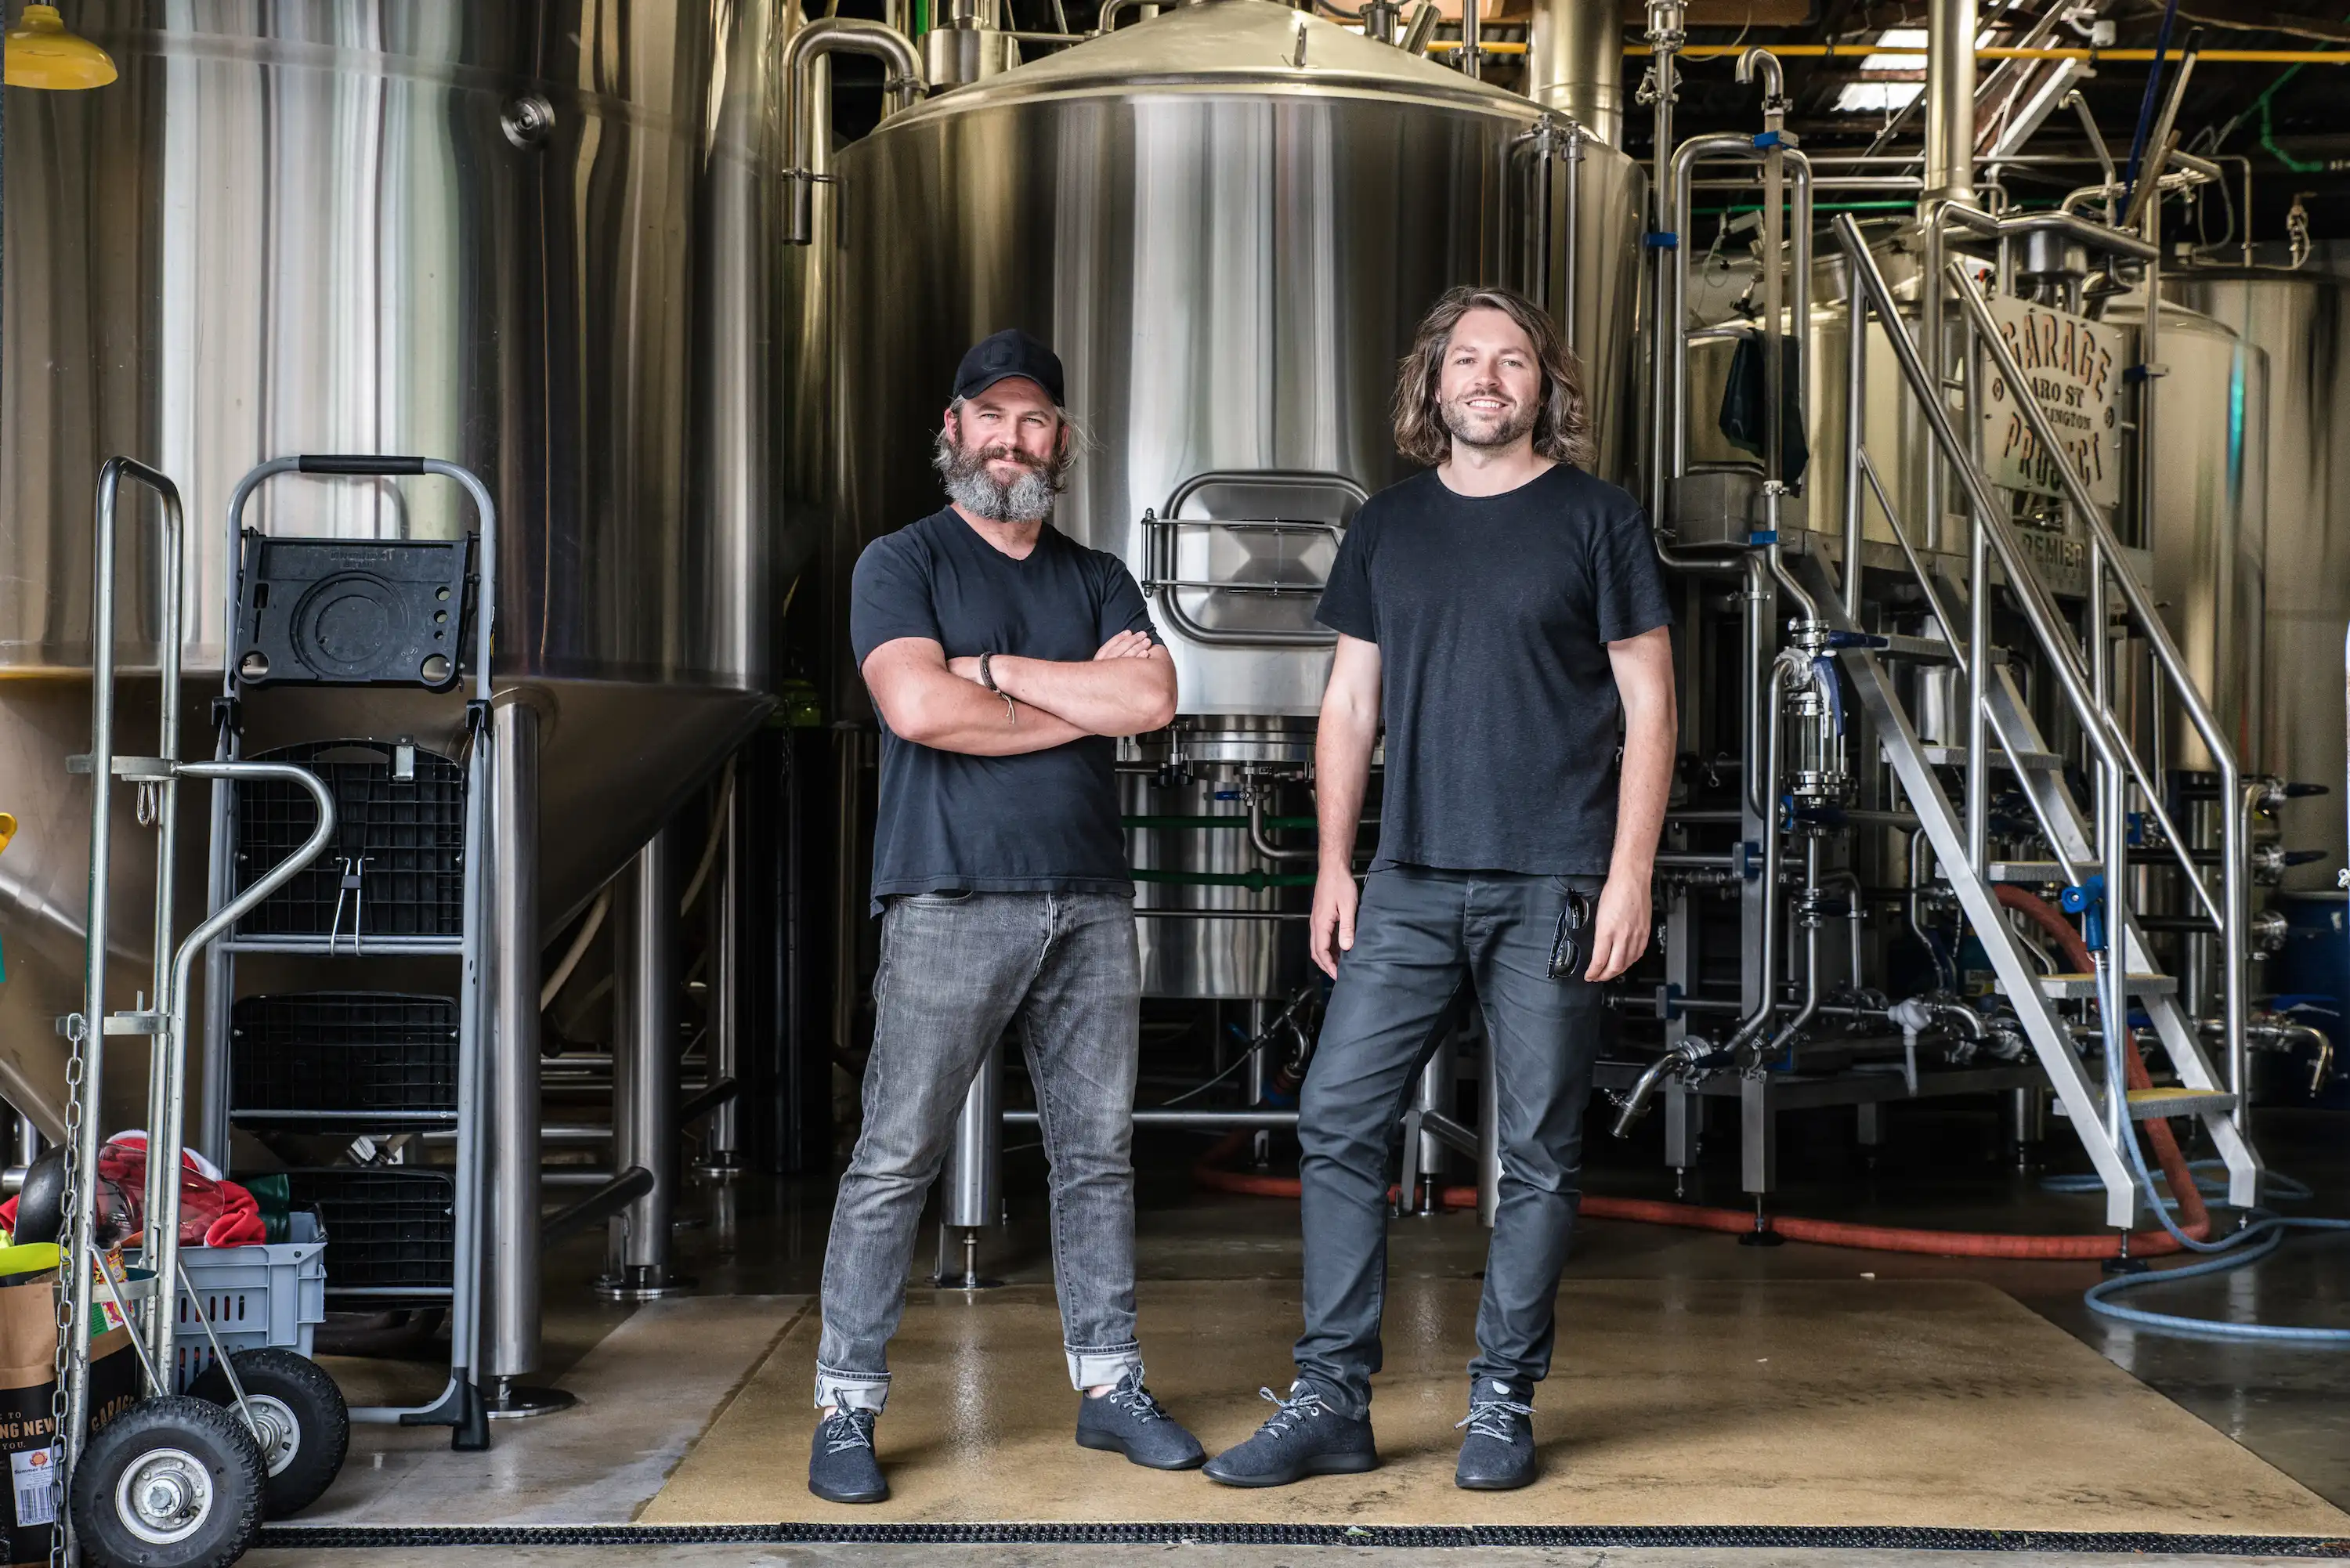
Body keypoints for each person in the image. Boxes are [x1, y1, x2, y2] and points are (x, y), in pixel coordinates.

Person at [1203, 286, 1677, 1492]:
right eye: (1466, 359)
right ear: (1434, 385)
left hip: (1554, 880)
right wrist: (1331, 863)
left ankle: (1503, 1401)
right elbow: (1350, 704)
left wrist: (1629, 873)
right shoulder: (1390, 526)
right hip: (1408, 876)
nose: (1486, 378)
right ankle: (1330, 1397)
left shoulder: (1597, 517)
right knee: (1337, 1115)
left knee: (1538, 1151)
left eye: (1510, 360)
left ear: (1543, 386)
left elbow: (1650, 702)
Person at [810, 329, 1202, 1504]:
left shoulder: (1093, 575)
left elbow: (1153, 696)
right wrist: (1075, 699)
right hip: (948, 891)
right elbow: (922, 708)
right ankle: (845, 1403)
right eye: (992, 417)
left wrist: (1003, 671)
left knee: (1097, 1156)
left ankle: (1110, 1383)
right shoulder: (901, 559)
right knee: (895, 1155)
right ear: (954, 430)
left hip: (1086, 895)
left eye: (1034, 420)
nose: (1012, 438)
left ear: (1062, 441)